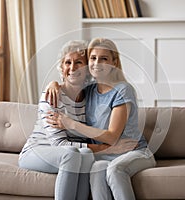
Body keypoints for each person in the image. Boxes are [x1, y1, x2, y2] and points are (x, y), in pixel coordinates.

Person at [19, 40, 136, 200]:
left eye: (78, 62)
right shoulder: (53, 95)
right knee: (73, 154)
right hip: (37, 151)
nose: (72, 68)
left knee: (86, 154)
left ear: (87, 69)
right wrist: (106, 149)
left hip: (73, 152)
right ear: (62, 67)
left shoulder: (90, 96)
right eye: (68, 62)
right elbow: (59, 145)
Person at [46, 38, 156, 200]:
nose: (97, 63)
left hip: (134, 151)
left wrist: (71, 124)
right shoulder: (89, 90)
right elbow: (69, 82)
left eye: (103, 59)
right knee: (96, 169)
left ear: (114, 62)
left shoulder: (123, 90)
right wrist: (53, 83)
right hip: (106, 155)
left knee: (115, 170)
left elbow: (112, 137)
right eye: (93, 58)